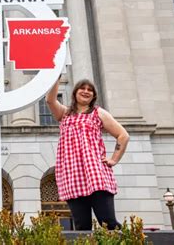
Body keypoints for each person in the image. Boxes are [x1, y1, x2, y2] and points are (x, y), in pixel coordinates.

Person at [46, 78, 129, 230]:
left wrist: (114, 159)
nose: (86, 91)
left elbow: (123, 135)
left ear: (94, 95)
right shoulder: (65, 114)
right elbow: (50, 100)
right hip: (73, 177)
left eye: (90, 90)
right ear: (75, 92)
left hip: (96, 174)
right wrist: (56, 75)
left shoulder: (99, 113)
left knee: (108, 222)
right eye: (82, 88)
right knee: (82, 227)